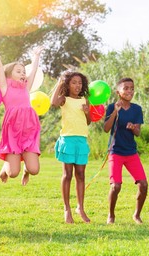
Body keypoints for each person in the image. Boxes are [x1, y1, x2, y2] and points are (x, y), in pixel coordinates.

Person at [0, 38, 43, 186]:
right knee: (13, 173)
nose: (23, 73)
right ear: (9, 74)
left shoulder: (25, 87)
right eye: (19, 71)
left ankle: (26, 169)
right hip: (12, 130)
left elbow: (34, 70)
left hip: (29, 128)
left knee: (34, 169)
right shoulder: (5, 87)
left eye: (23, 71)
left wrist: (36, 56)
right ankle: (6, 168)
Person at [103, 78, 148, 224]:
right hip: (116, 152)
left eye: (132, 88)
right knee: (115, 186)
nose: (129, 91)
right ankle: (111, 215)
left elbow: (138, 133)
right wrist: (115, 112)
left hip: (131, 153)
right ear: (118, 92)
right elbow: (106, 128)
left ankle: (136, 214)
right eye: (126, 88)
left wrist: (133, 127)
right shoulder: (111, 107)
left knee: (143, 184)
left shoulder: (136, 109)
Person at [51, 70, 91, 224]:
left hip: (81, 141)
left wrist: (87, 113)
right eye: (74, 82)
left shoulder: (85, 100)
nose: (77, 85)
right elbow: (53, 103)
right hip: (67, 139)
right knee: (67, 174)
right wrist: (60, 82)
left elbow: (88, 122)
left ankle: (80, 207)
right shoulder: (64, 99)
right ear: (68, 84)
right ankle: (67, 209)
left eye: (80, 83)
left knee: (80, 174)